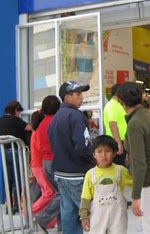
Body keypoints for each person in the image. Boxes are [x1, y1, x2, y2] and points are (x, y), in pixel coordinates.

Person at [118, 82, 150, 234]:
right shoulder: (146, 114)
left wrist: (135, 196)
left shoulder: (135, 123)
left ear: (121, 102)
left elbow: (139, 164)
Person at [48, 81, 94, 233]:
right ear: (67, 97)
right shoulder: (76, 116)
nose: (82, 97)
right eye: (78, 94)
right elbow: (83, 146)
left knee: (68, 214)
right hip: (77, 173)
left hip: (60, 173)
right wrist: (93, 160)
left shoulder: (55, 118)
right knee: (89, 214)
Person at [80, 135, 133, 233]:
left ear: (114, 153)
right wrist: (84, 217)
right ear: (94, 154)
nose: (103, 155)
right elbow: (85, 198)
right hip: (97, 218)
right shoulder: (90, 174)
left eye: (107, 151)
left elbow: (134, 186)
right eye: (99, 151)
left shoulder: (121, 171)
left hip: (118, 218)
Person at [0, 100, 32, 214]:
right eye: (19, 112)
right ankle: (17, 205)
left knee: (8, 179)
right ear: (15, 110)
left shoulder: (1, 120)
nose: (20, 114)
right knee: (17, 180)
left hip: (4, 152)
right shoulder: (16, 120)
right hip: (16, 151)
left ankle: (8, 206)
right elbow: (29, 127)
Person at [35, 95, 62, 231]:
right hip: (55, 160)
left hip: (46, 161)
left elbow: (40, 145)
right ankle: (42, 218)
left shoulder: (42, 123)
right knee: (62, 194)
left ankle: (62, 227)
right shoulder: (56, 122)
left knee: (59, 193)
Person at [30, 111, 56, 226]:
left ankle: (49, 221)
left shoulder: (35, 131)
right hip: (40, 165)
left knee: (49, 193)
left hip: (38, 165)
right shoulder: (38, 132)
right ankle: (30, 212)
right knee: (49, 193)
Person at [103, 84, 127, 166]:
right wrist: (119, 143)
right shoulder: (111, 105)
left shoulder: (119, 105)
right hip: (115, 141)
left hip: (122, 140)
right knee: (117, 167)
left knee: (121, 167)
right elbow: (112, 125)